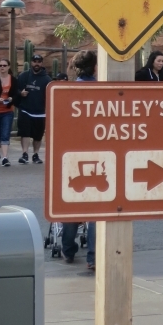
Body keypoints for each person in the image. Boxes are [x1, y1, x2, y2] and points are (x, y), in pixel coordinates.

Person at [62, 50, 97, 271]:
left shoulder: (67, 91)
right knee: (97, 209)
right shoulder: (104, 90)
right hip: (99, 155)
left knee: (72, 204)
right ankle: (93, 258)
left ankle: (68, 249)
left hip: (72, 153)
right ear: (95, 67)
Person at [14, 53, 52, 164]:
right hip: (25, 110)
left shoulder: (47, 79)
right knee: (25, 133)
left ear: (42, 63)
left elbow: (50, 95)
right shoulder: (23, 76)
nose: (36, 64)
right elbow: (15, 90)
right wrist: (20, 93)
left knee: (38, 135)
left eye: (39, 61)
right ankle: (24, 154)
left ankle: (35, 154)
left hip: (40, 113)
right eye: (35, 61)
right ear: (31, 62)